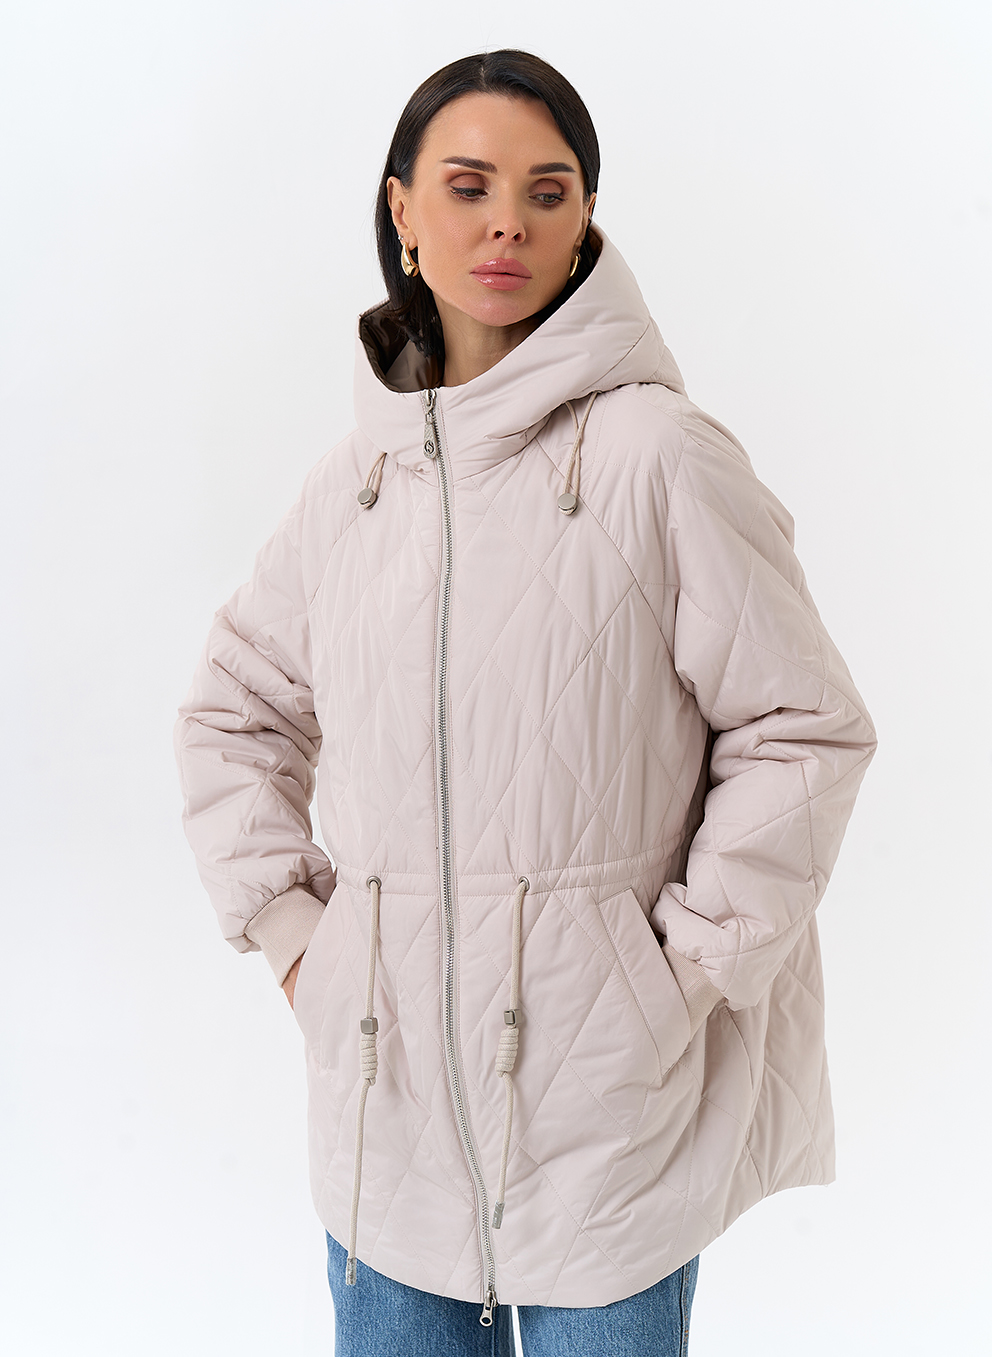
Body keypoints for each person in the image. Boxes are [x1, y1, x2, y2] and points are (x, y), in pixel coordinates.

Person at [175, 49, 876, 1356]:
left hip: (606, 1129)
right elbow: (233, 715)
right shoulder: (353, 487)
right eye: (470, 186)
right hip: (383, 1122)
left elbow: (803, 730)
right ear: (404, 212)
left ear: (584, 224)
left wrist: (677, 976)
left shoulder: (658, 457)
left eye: (547, 192)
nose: (508, 222)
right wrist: (299, 942)